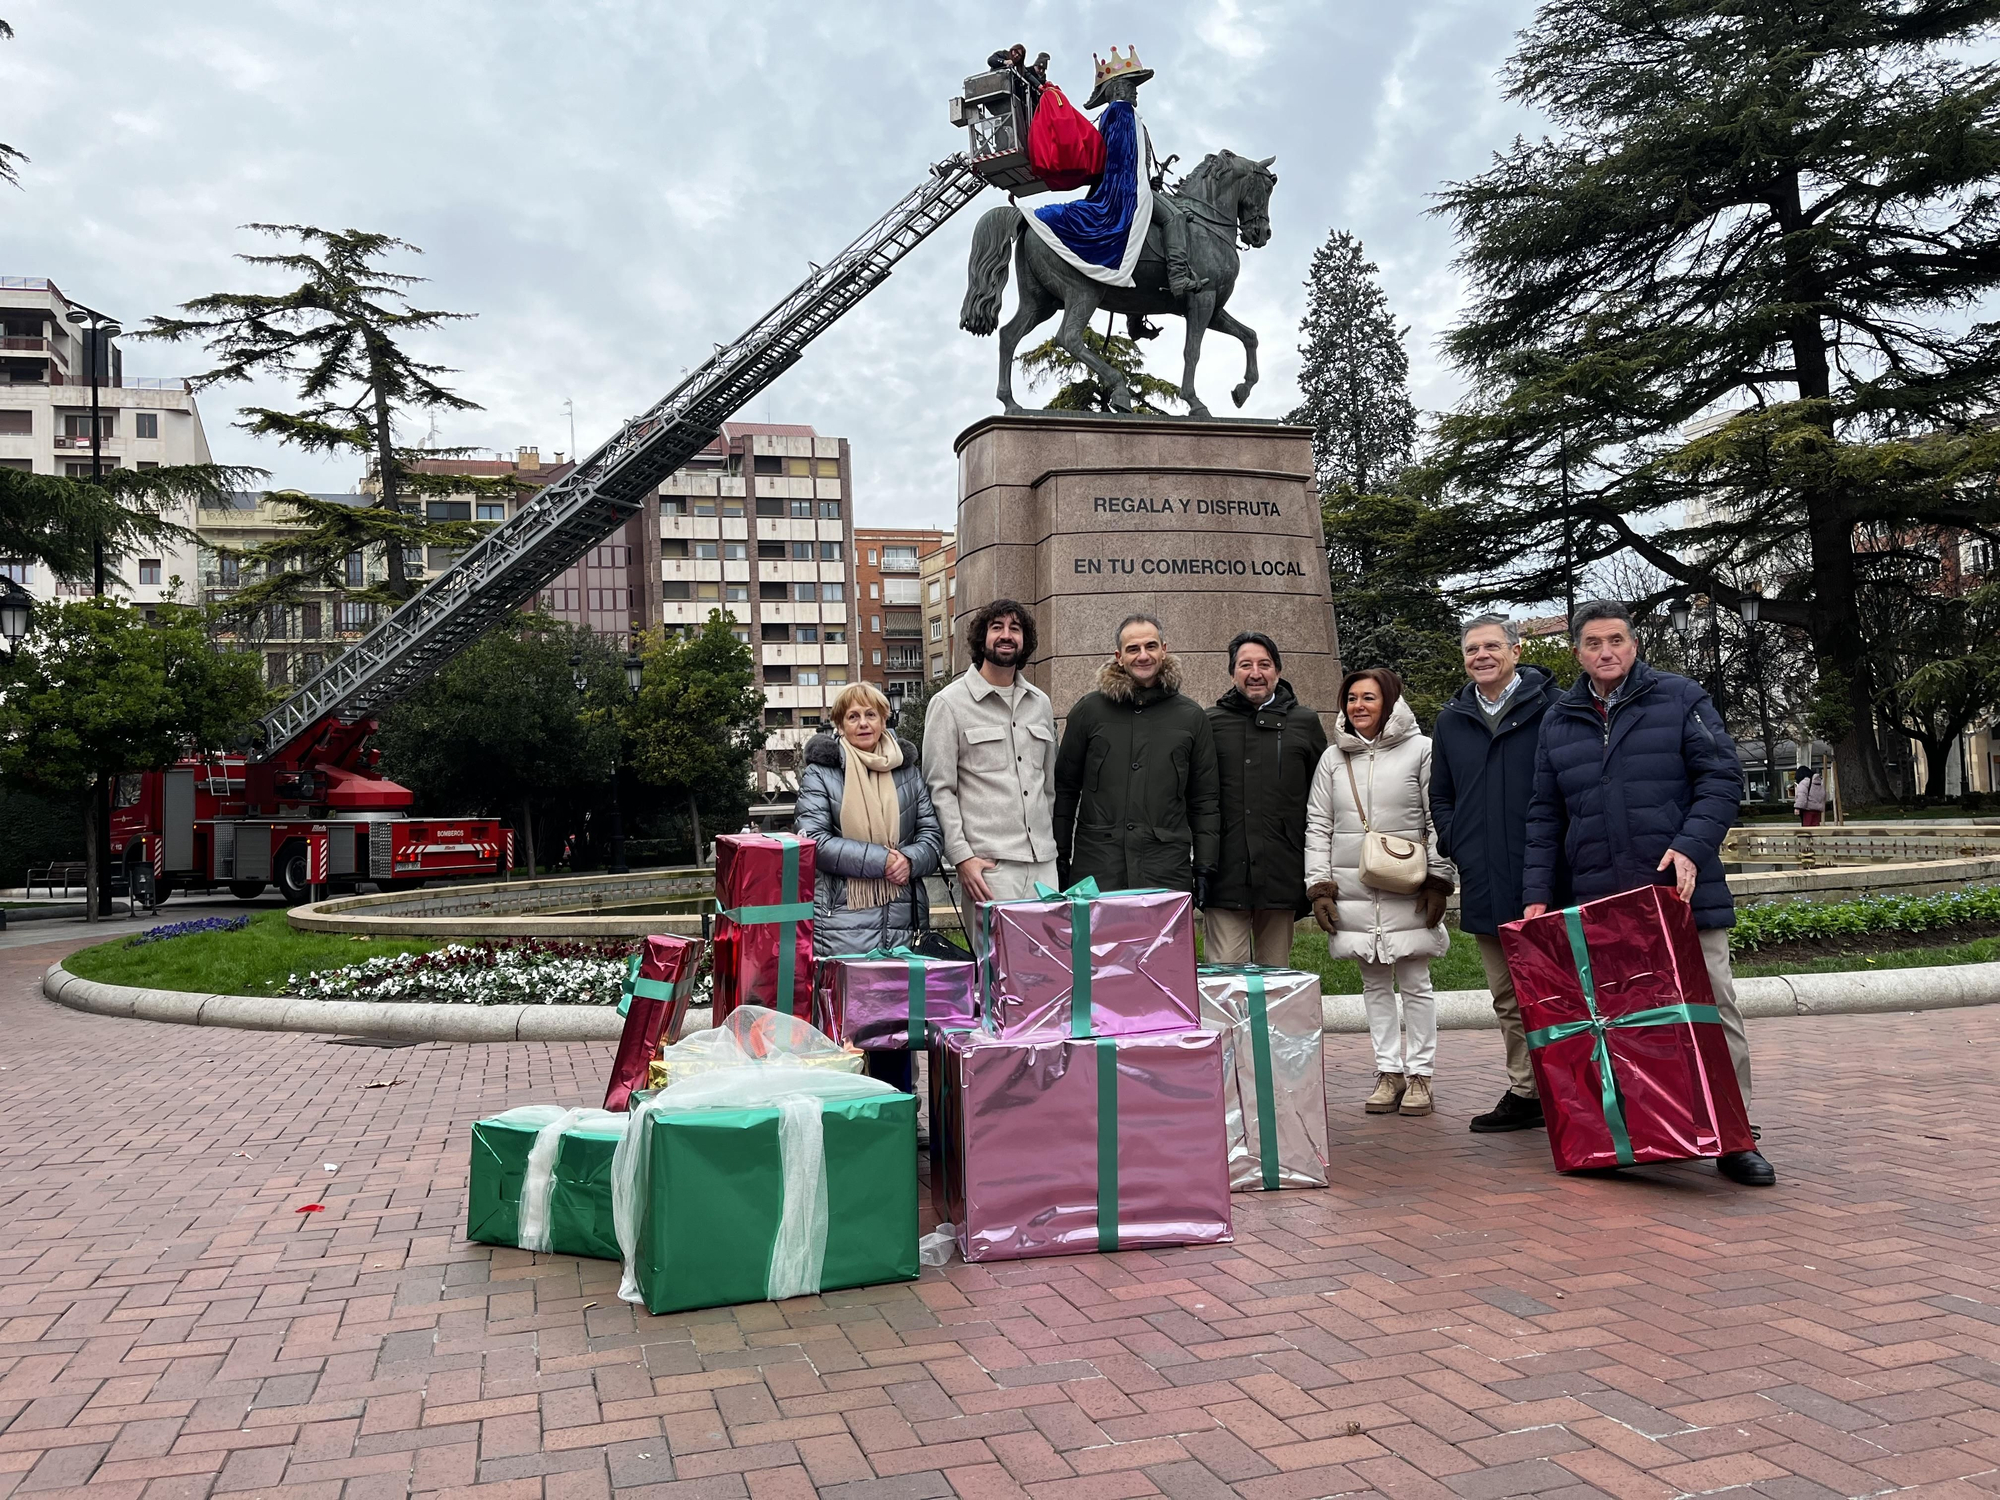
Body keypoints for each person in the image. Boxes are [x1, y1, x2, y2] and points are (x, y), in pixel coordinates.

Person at [1522, 600, 1775, 1187]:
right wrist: (1537, 894)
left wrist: (1690, 845)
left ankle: (1734, 1137)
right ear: (1577, 651)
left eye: (1615, 641)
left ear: (1634, 645)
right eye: (1592, 643)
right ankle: (1645, 1133)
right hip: (1601, 897)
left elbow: (1721, 779)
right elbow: (1544, 813)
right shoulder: (1559, 718)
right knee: (1623, 1019)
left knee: (1710, 1009)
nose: (1605, 652)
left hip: (1678, 888)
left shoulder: (1681, 697)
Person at [1305, 668, 1456, 1118]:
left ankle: (1421, 1076)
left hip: (1408, 888)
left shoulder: (1422, 751)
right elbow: (1318, 825)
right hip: (1353, 888)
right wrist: (1319, 887)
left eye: (1368, 697)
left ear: (1389, 701)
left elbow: (1438, 820)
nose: (1359, 706)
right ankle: (1388, 1071)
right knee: (1373, 983)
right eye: (1351, 697)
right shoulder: (1333, 759)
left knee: (1415, 982)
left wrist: (1438, 879)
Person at [1430, 615, 1561, 1134]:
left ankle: (1572, 1086)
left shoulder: (1553, 708)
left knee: (1558, 988)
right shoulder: (1452, 719)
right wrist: (1454, 837)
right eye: (1471, 649)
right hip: (1484, 872)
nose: (1481, 656)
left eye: (1491, 646)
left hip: (1547, 872)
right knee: (1506, 994)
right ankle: (1526, 1091)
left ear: (1516, 649)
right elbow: (1441, 793)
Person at [794, 682, 945, 1091]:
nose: (863, 723)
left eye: (871, 714)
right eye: (853, 716)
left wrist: (912, 860)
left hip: (901, 917)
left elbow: (932, 835)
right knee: (846, 1032)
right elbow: (814, 841)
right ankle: (848, 1119)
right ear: (840, 724)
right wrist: (884, 861)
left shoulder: (907, 770)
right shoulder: (821, 773)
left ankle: (899, 1115)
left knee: (897, 1030)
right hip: (844, 920)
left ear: (884, 719)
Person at [1054, 613, 1219, 894]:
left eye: (1150, 646)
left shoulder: (1191, 717)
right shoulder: (1089, 712)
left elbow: (1204, 799)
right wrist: (1059, 854)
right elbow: (1065, 789)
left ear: (1163, 650)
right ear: (1119, 656)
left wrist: (1205, 865)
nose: (1143, 655)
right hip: (1098, 869)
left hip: (1165, 870)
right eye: (1133, 649)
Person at [921, 599, 1059, 904]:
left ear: (1025, 640)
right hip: (989, 869)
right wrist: (961, 857)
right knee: (996, 955)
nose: (1007, 635)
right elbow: (939, 790)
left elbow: (1048, 785)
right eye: (997, 627)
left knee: (1048, 954)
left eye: (1015, 628)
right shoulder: (949, 704)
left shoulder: (1040, 704)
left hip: (1044, 865)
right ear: (982, 637)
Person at [1204, 631, 1327, 966]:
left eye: (1264, 664)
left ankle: (1275, 1023)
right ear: (1232, 673)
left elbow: (1323, 795)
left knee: (1277, 977)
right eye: (1245, 665)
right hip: (1225, 872)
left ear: (1278, 670)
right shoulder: (1210, 723)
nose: (1255, 672)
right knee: (1225, 974)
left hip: (1281, 867)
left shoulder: (1304, 722)